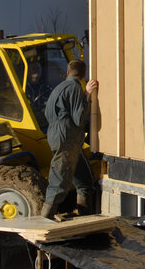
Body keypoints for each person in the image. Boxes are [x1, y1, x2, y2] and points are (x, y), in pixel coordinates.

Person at [41, 59, 97, 219]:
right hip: (67, 140)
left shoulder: (58, 88)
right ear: (84, 75)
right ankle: (45, 221)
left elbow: (48, 114)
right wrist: (87, 94)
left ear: (67, 73)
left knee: (85, 181)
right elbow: (79, 118)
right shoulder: (74, 88)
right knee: (59, 181)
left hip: (61, 138)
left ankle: (85, 219)